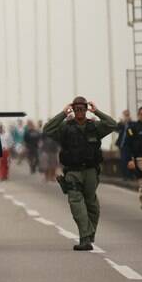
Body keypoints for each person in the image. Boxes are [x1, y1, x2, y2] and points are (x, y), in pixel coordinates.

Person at [43, 97, 116, 251]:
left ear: (86, 109)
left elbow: (112, 124)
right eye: (76, 109)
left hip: (90, 171)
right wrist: (63, 113)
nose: (80, 112)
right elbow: (47, 130)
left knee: (92, 205)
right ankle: (84, 238)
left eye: (82, 108)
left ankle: (89, 234)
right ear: (73, 110)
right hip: (72, 172)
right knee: (76, 204)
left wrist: (97, 112)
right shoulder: (65, 128)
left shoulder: (94, 127)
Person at [115, 109, 134, 180]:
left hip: (130, 146)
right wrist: (121, 122)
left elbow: (132, 134)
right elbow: (115, 129)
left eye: (127, 115)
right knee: (123, 161)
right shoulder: (121, 124)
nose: (126, 117)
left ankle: (130, 176)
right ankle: (125, 176)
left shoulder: (131, 124)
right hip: (122, 146)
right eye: (125, 115)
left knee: (130, 160)